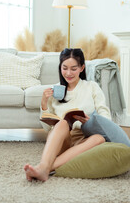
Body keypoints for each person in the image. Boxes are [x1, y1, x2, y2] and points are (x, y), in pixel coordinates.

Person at [24, 48, 112, 182]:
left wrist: (91, 122)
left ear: (82, 68)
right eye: (64, 68)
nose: (68, 73)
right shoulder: (55, 90)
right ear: (60, 67)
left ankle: (44, 168)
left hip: (84, 138)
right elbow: (47, 128)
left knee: (99, 139)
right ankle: (45, 167)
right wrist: (44, 103)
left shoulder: (91, 87)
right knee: (64, 122)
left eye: (73, 68)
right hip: (62, 140)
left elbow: (105, 115)